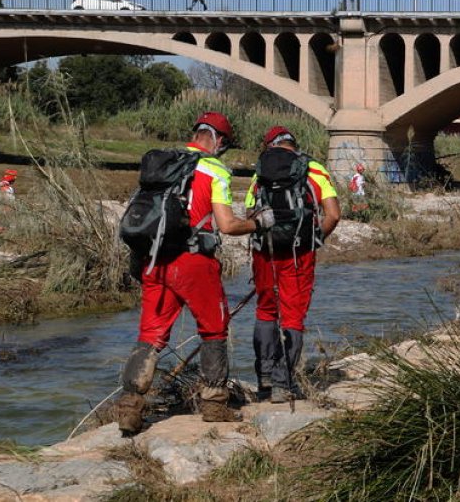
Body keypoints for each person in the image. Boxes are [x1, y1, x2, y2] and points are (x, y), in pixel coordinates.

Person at [115, 112, 264, 433]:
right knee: (214, 327)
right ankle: (214, 404)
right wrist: (258, 222)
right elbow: (227, 224)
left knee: (151, 334)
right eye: (225, 144)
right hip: (194, 260)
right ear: (219, 140)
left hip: (154, 258)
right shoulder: (215, 169)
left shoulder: (164, 162)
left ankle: (129, 409)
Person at [246, 126, 341, 402]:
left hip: (265, 250)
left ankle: (264, 378)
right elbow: (333, 214)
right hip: (300, 252)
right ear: (293, 144)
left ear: (269, 146)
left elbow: (250, 211)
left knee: (265, 310)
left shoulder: (260, 171)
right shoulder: (313, 168)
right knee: (292, 315)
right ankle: (282, 384)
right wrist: (315, 238)